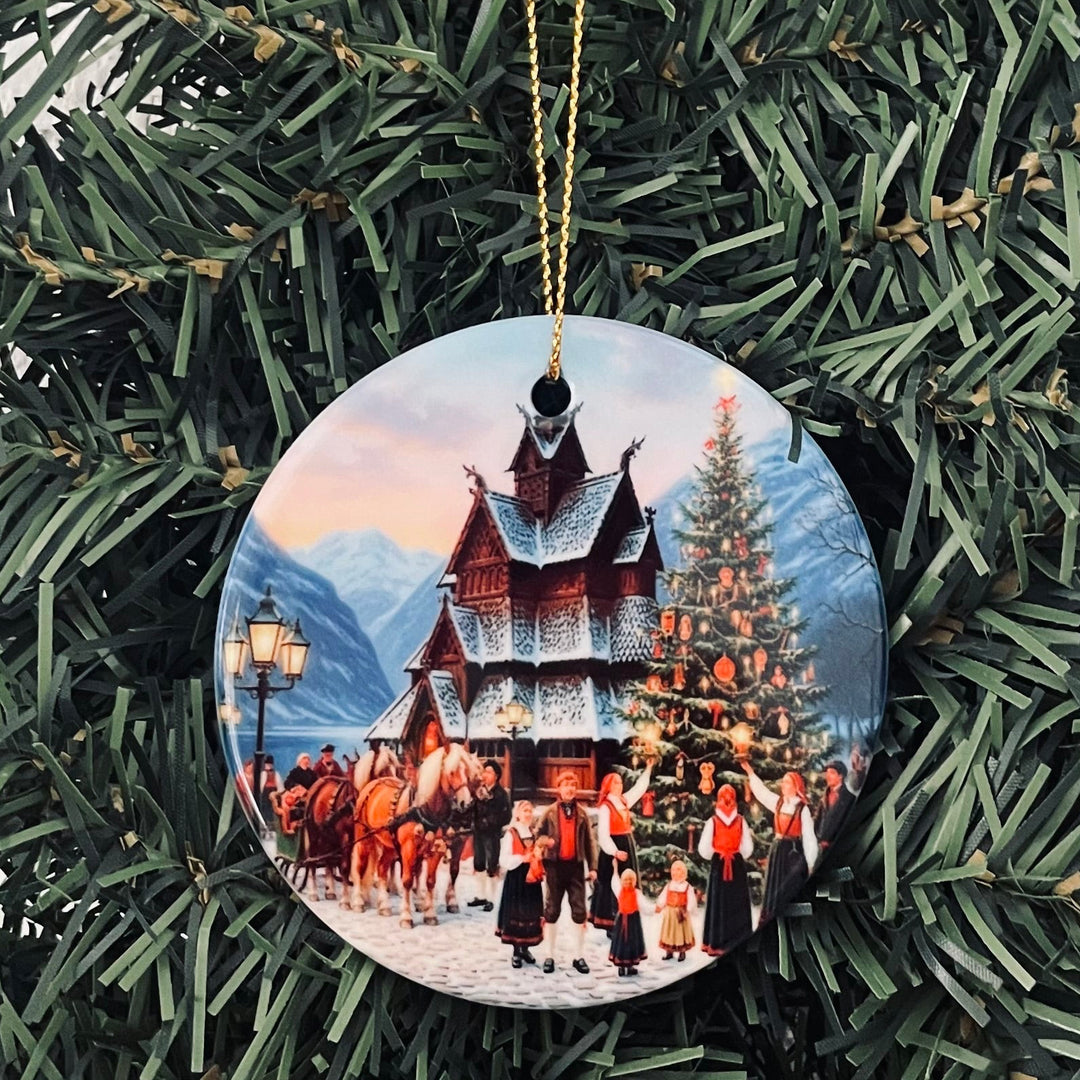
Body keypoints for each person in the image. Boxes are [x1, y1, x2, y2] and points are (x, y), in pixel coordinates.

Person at [537, 771, 597, 974]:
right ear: (559, 788)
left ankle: (578, 956)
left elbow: (590, 842)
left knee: (579, 911)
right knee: (551, 911)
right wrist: (546, 842)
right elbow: (537, 834)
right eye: (566, 785)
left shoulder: (582, 814)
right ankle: (549, 955)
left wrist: (594, 867)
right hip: (554, 866)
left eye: (573, 785)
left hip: (575, 867)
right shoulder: (549, 812)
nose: (569, 789)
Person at [741, 762, 818, 921]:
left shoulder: (802, 809)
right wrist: (750, 772)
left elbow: (809, 836)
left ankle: (790, 920)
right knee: (774, 886)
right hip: (777, 850)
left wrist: (811, 863)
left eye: (787, 782)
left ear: (795, 786)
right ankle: (772, 919)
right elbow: (762, 793)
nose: (783, 785)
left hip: (793, 852)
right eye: (783, 782)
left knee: (789, 886)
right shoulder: (779, 803)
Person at [589, 762, 652, 932]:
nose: (619, 785)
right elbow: (603, 834)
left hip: (626, 843)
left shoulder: (623, 800)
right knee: (611, 883)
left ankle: (626, 915)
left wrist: (648, 770)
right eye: (615, 782)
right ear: (608, 786)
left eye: (620, 782)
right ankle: (610, 922)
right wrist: (614, 851)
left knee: (627, 882)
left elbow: (639, 790)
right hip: (613, 847)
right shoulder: (605, 807)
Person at [697, 784, 754, 955]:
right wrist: (725, 852)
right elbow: (705, 848)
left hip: (730, 863)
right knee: (723, 901)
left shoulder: (740, 821)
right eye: (724, 797)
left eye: (730, 797)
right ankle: (721, 942)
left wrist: (724, 853)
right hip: (725, 863)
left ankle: (733, 940)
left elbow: (746, 846)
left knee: (732, 900)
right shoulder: (713, 822)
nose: (727, 801)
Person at [495, 801, 548, 967]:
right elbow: (503, 860)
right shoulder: (511, 833)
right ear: (517, 813)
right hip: (517, 878)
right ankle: (516, 951)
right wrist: (521, 859)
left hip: (531, 878)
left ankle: (525, 948)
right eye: (525, 811)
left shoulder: (532, 832)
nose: (528, 814)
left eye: (530, 811)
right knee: (516, 912)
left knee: (530, 912)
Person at [468, 759, 512, 912]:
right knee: (479, 863)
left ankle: (491, 898)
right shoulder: (479, 791)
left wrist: (490, 821)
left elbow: (507, 815)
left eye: (489, 772)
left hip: (492, 833)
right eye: (484, 771)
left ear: (496, 776)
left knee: (492, 864)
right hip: (478, 832)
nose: (485, 775)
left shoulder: (501, 794)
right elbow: (473, 810)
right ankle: (480, 896)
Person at [814, 751, 864, 849]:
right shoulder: (823, 798)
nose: (828, 776)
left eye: (832, 773)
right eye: (827, 773)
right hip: (819, 845)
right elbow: (818, 820)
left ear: (840, 776)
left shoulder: (849, 798)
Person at [655, 858, 698, 960]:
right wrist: (659, 905)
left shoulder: (687, 887)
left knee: (680, 933)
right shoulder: (669, 885)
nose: (675, 874)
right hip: (670, 913)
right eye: (673, 871)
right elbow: (664, 896)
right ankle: (669, 951)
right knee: (669, 932)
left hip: (681, 913)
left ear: (683, 873)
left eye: (678, 871)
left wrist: (688, 910)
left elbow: (691, 900)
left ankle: (682, 952)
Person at [608, 867, 647, 976]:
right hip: (622, 921)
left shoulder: (636, 893)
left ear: (634, 881)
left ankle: (630, 966)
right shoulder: (619, 890)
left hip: (633, 921)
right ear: (622, 881)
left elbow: (644, 905)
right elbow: (614, 882)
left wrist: (655, 909)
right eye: (625, 880)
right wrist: (615, 869)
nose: (628, 882)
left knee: (632, 942)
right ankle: (621, 967)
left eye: (631, 880)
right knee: (621, 942)